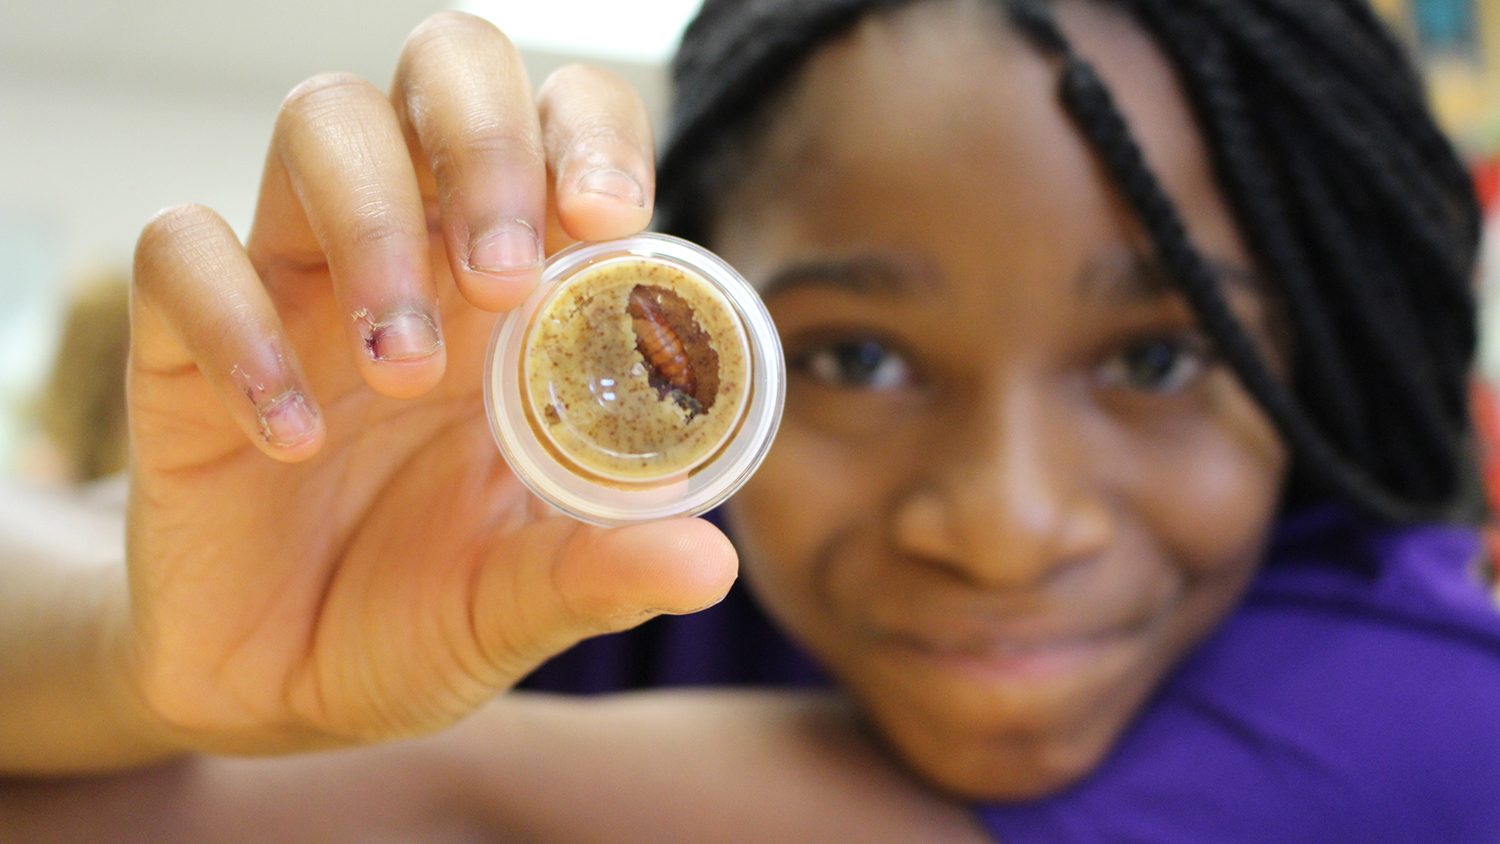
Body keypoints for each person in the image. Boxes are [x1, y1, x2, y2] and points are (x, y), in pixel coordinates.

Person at [3, 0, 1499, 839]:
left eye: (1160, 364)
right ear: (700, 311)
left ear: (1320, 359)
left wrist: (141, 714)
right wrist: (145, 646)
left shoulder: (1431, 709)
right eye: (855, 358)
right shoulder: (617, 559)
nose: (1003, 525)